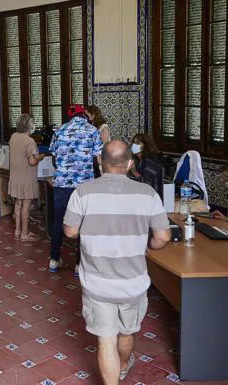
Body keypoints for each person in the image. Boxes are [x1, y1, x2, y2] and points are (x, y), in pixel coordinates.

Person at [63, 140, 171, 385]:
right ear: (130, 163)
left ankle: (115, 376)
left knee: (106, 340)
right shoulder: (148, 193)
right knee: (127, 331)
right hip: (133, 283)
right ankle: (122, 367)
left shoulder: (83, 191)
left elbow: (69, 232)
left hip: (97, 284)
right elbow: (163, 237)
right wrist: (148, 246)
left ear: (99, 161)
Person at [49, 104, 103, 273]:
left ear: (69, 116)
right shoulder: (92, 131)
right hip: (84, 186)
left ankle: (54, 260)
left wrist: (63, 170)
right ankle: (79, 264)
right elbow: (98, 159)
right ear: (84, 115)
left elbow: (54, 158)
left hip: (62, 185)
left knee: (58, 221)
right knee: (83, 224)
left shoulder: (59, 131)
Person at [8, 114, 44, 241]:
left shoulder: (13, 137)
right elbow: (32, 162)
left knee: (18, 204)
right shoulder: (30, 141)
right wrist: (41, 156)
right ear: (29, 126)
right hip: (26, 178)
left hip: (15, 176)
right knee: (26, 206)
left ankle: (17, 231)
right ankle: (25, 234)